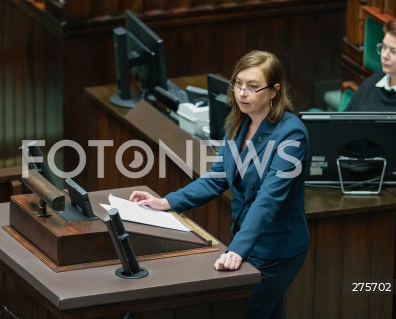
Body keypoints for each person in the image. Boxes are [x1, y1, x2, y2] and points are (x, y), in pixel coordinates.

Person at [130, 50, 309, 319]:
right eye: (238, 84)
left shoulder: (291, 134)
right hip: (246, 240)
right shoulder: (239, 123)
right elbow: (217, 178)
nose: (242, 93)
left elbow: (269, 198)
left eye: (252, 87)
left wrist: (237, 248)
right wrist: (167, 202)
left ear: (274, 91)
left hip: (276, 249)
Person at [345, 18, 396, 111]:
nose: (384, 55)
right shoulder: (374, 80)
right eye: (384, 47)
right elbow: (345, 120)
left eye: (393, 51)